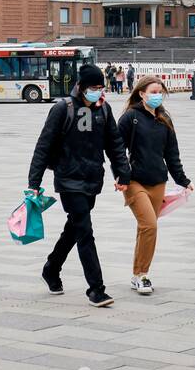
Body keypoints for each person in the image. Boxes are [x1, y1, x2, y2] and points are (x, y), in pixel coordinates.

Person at [27, 64, 131, 307]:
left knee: (74, 229)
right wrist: (34, 182)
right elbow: (43, 146)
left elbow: (115, 144)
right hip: (68, 180)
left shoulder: (104, 109)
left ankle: (51, 268)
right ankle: (96, 289)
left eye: (100, 87)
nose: (98, 91)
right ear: (81, 86)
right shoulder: (63, 108)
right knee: (85, 231)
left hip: (93, 179)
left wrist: (123, 174)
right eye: (93, 87)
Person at [118, 77, 194, 295]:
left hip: (158, 182)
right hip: (134, 181)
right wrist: (121, 176)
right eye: (153, 91)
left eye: (160, 92)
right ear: (142, 93)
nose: (157, 95)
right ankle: (142, 274)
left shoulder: (164, 118)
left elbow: (172, 154)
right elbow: (116, 149)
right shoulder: (130, 117)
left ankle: (136, 275)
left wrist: (183, 180)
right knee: (150, 225)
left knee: (145, 228)